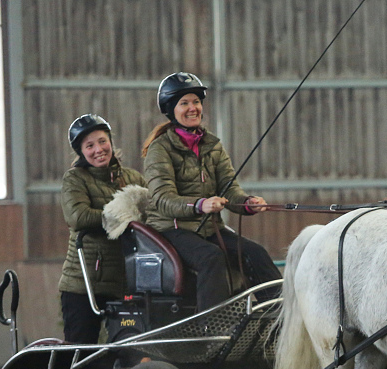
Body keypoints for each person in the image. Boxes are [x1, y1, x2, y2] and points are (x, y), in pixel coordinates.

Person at [141, 72, 281, 311]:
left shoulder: (213, 145)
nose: (192, 108)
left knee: (255, 252)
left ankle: (279, 316)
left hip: (206, 227)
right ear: (171, 109)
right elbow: (163, 199)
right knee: (210, 257)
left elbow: (230, 189)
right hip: (171, 229)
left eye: (196, 101)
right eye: (184, 103)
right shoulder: (160, 149)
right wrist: (199, 205)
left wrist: (248, 203)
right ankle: (212, 326)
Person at [59, 114, 147, 343]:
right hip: (83, 284)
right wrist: (125, 217)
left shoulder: (133, 178)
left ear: (111, 141)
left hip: (123, 282)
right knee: (80, 350)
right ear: (81, 152)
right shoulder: (75, 179)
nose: (98, 149)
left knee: (125, 349)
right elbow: (78, 217)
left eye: (102, 141)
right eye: (89, 146)